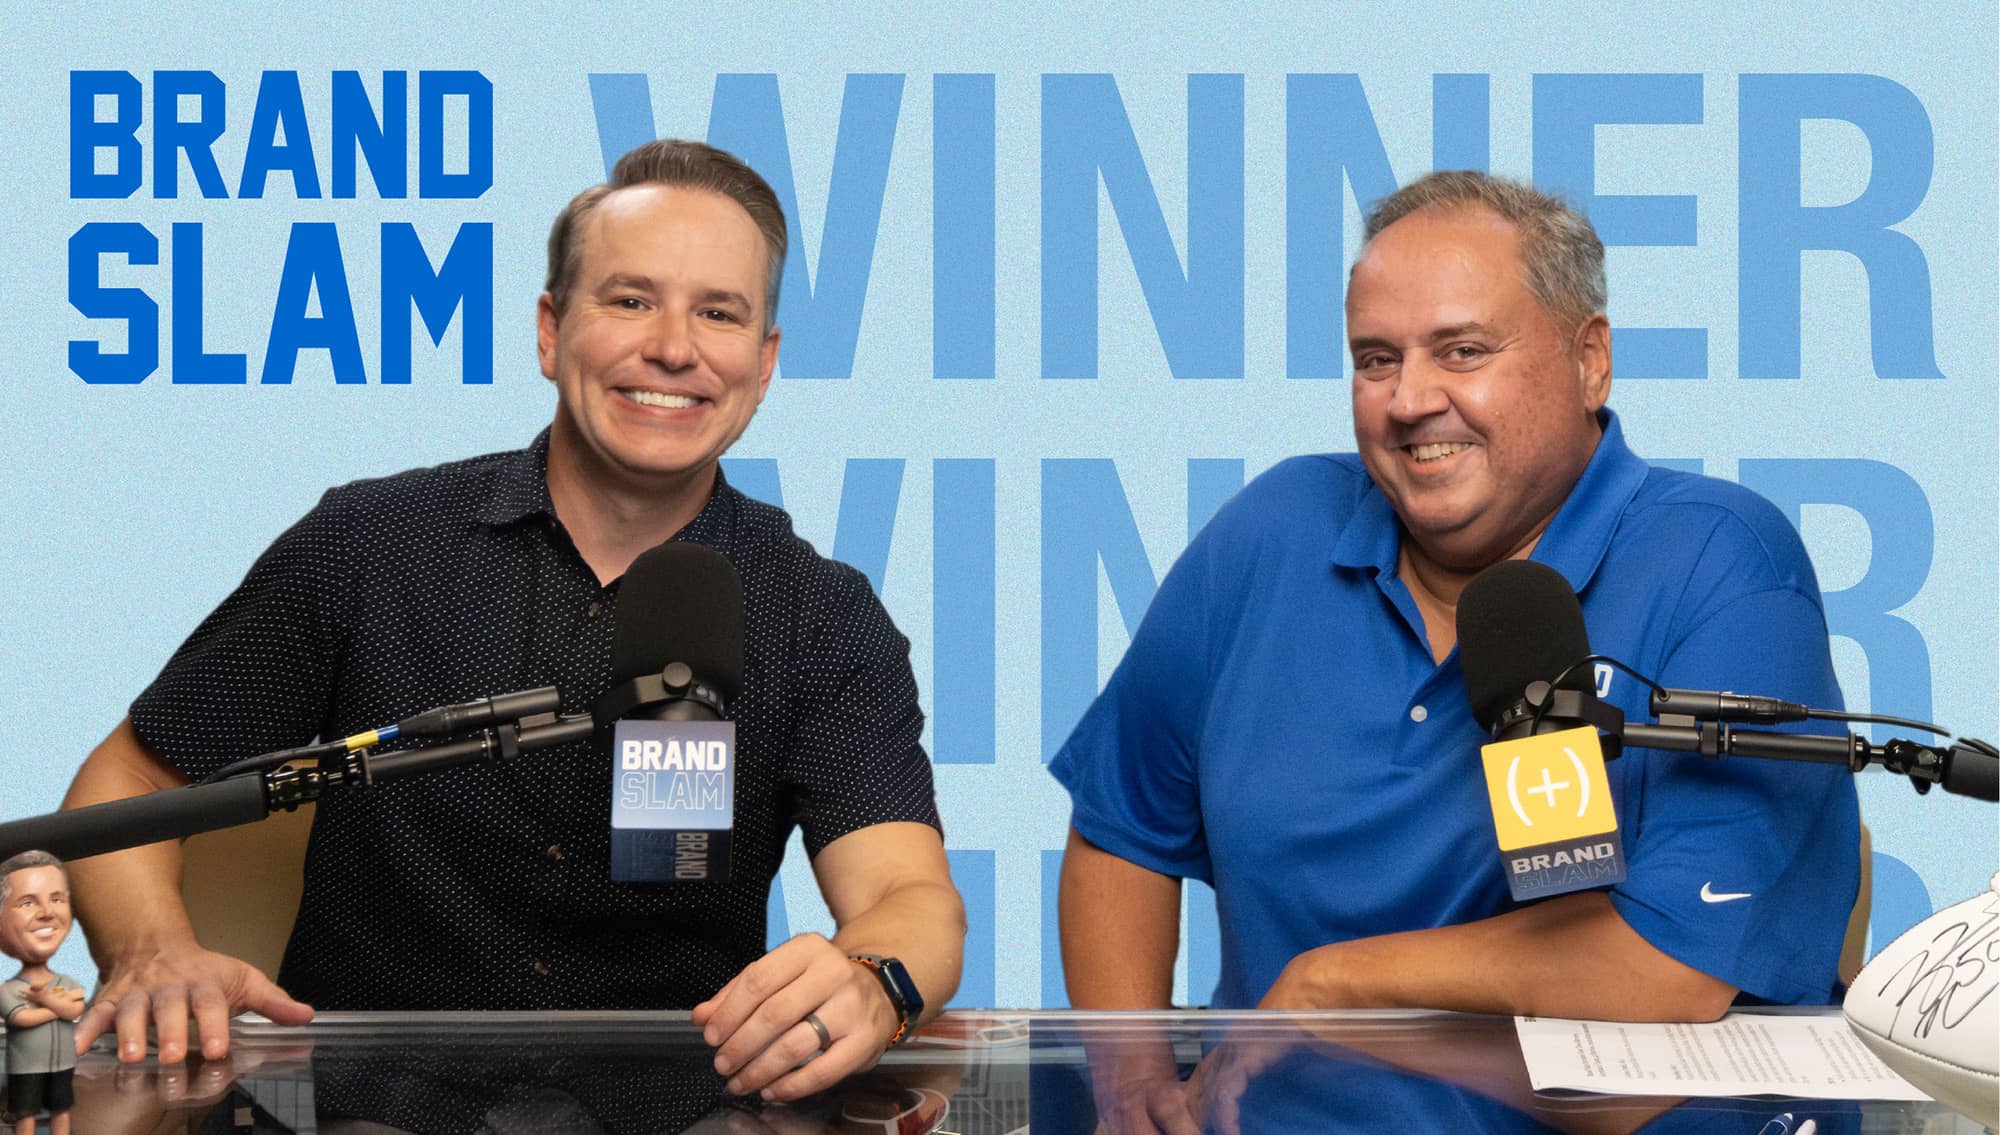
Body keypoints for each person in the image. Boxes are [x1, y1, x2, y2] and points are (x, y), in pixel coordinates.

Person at [58, 139, 964, 1103]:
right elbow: (132, 777)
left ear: (765, 360)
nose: (673, 345)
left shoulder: (818, 614)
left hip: (679, 1113)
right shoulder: (370, 542)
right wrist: (151, 950)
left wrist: (877, 982)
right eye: (630, 299)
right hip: (374, 1110)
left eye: (719, 312)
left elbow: (910, 900)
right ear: (549, 328)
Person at [1052, 170, 1860, 1033]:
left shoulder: (1721, 562)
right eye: (1376, 360)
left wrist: (1332, 983)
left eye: (1462, 351)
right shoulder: (1270, 533)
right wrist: (1126, 1079)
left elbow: (1673, 963)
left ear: (1590, 360)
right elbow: (1121, 831)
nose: (1409, 401)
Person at [2, 851, 87, 1135]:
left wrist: (45, 1001)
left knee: (60, 1111)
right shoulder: (11, 988)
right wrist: (56, 1006)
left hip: (62, 1064)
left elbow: (76, 1008)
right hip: (26, 1068)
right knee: (26, 1115)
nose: (47, 912)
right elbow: (22, 1018)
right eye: (28, 902)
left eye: (57, 899)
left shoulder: (66, 980)